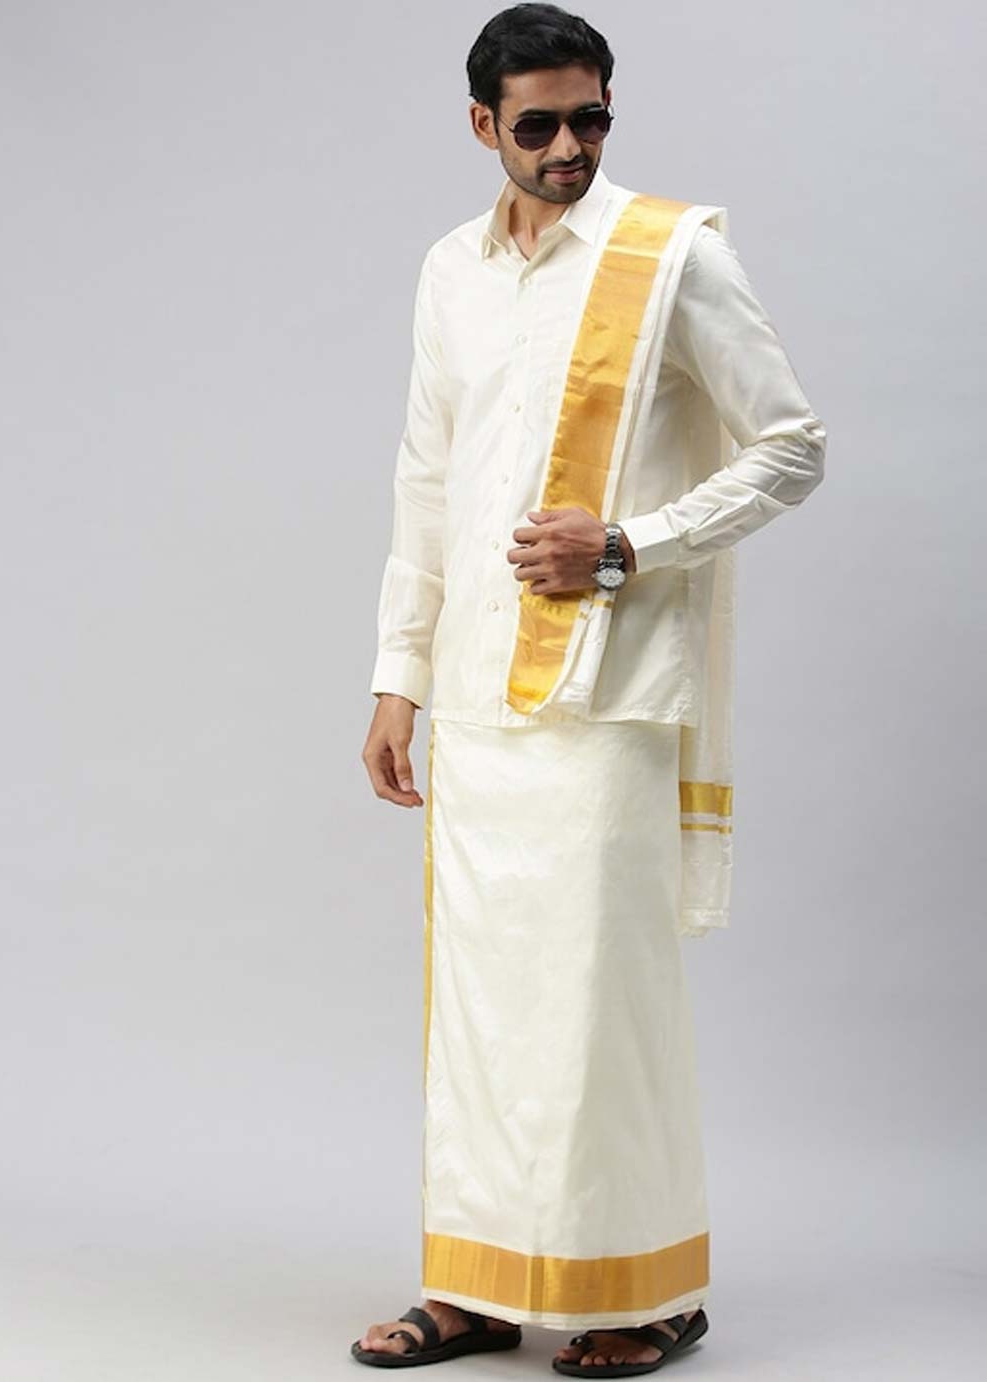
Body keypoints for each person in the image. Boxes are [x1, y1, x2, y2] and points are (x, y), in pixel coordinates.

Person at [353, 4, 826, 1375]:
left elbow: (792, 446)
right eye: (542, 123)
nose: (571, 145)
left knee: (597, 1007)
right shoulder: (451, 269)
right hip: (476, 690)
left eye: (593, 116)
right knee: (481, 1009)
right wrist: (397, 675)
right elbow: (426, 479)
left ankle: (647, 1292)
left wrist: (628, 546)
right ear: (483, 124)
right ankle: (476, 1285)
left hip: (609, 693)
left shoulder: (669, 254)